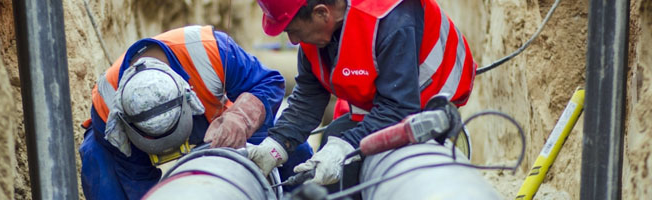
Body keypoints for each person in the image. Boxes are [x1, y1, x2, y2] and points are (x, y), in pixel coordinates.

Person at [247, 0, 477, 191]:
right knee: (332, 140)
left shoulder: (391, 19)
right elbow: (309, 96)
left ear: (322, 13)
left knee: (343, 157)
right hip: (379, 107)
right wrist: (276, 144)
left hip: (426, 111)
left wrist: (344, 147)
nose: (294, 41)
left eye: (293, 31)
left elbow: (399, 108)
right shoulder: (317, 33)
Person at [78, 25, 313, 200]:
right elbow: (136, 177)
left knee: (290, 147)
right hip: (134, 142)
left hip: (221, 124)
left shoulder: (210, 51)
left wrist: (240, 118)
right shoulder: (108, 106)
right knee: (96, 158)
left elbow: (269, 83)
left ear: (188, 95)